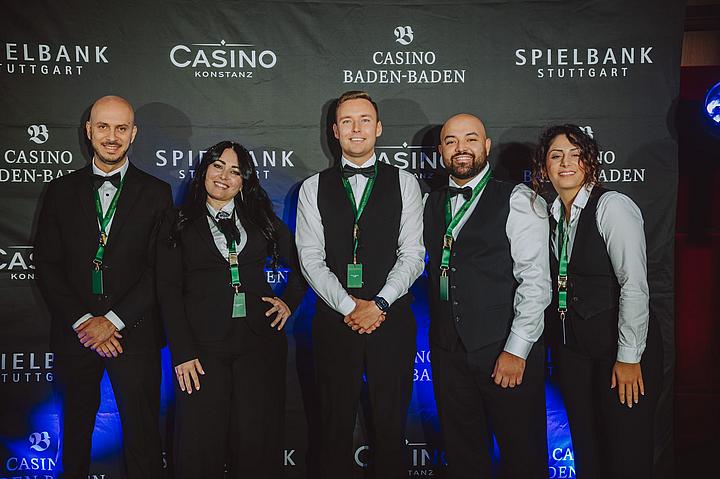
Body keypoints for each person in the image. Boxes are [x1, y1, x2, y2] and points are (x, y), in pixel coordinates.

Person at [34, 95, 172, 478]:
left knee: (144, 440)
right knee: (74, 436)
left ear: (134, 133)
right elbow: (47, 265)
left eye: (121, 128)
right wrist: (85, 322)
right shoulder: (59, 191)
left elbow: (159, 269)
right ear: (89, 130)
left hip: (135, 334)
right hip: (76, 335)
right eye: (104, 127)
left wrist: (112, 321)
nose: (112, 136)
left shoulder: (157, 193)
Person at [156, 140, 306, 479]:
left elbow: (304, 265)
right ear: (204, 171)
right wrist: (182, 352)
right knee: (199, 445)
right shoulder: (177, 220)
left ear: (244, 181)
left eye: (235, 171)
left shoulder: (260, 218)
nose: (224, 176)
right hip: (201, 351)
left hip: (259, 346)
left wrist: (289, 301)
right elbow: (168, 290)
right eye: (218, 166)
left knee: (256, 443)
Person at [295, 91, 424, 478]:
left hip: (392, 321)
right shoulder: (312, 187)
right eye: (347, 121)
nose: (356, 128)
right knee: (332, 428)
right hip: (335, 322)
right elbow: (310, 259)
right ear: (335, 131)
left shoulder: (406, 183)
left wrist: (379, 304)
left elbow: (413, 254)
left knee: (391, 427)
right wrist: (351, 307)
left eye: (364, 120)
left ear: (378, 128)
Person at [531, 124, 662, 479]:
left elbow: (634, 284)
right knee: (588, 455)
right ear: (544, 167)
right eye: (556, 156)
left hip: (618, 353)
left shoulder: (612, 206)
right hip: (575, 353)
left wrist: (629, 358)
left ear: (589, 163)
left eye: (575, 155)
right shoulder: (552, 214)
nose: (566, 163)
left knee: (626, 456)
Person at [424, 113, 551, 478]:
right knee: (463, 458)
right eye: (451, 141)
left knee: (523, 456)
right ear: (441, 151)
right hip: (449, 354)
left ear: (487, 146)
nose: (461, 148)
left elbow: (535, 281)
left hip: (504, 350)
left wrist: (516, 350)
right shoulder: (430, 202)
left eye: (471, 139)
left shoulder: (519, 199)